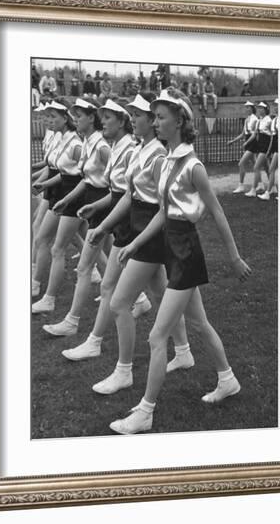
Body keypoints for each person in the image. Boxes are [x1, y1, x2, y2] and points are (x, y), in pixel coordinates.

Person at [107, 89, 251, 434]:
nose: (155, 122)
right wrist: (135, 244)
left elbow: (216, 213)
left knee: (158, 336)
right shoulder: (169, 160)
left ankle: (145, 411)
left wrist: (234, 257)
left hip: (186, 253)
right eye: (153, 117)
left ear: (180, 121)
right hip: (171, 248)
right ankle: (227, 379)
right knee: (199, 324)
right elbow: (162, 212)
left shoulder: (193, 166)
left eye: (160, 117)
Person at [75, 92, 194, 389]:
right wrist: (103, 223)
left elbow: (162, 206)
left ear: (152, 123)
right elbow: (129, 194)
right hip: (140, 230)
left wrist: (136, 240)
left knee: (118, 303)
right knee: (159, 293)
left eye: (140, 115)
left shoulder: (156, 155)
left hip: (148, 235)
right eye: (137, 114)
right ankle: (184, 352)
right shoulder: (142, 150)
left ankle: (124, 371)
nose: (136, 119)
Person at [54, 99, 150, 350]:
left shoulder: (125, 148)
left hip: (128, 218)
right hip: (115, 211)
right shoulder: (117, 145)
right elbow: (118, 189)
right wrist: (96, 208)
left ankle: (82, 329)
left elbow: (130, 192)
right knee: (155, 288)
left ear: (121, 121)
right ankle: (180, 346)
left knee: (98, 276)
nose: (102, 121)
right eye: (102, 117)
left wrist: (103, 219)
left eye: (108, 117)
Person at [30, 99, 83, 313]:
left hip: (70, 196)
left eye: (52, 117)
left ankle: (43, 292)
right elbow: (57, 169)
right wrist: (41, 181)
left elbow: (84, 175)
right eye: (46, 117)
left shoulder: (75, 143)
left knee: (55, 244)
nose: (47, 121)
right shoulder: (62, 138)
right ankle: (37, 285)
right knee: (88, 245)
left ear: (65, 118)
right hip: (60, 193)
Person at [227, 101, 259, 194]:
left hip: (252, 143)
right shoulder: (247, 119)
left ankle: (241, 185)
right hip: (249, 143)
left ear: (252, 108)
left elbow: (254, 134)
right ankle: (261, 184)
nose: (246, 109)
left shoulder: (254, 119)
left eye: (248, 107)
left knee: (241, 163)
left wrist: (246, 143)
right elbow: (243, 134)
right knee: (256, 164)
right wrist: (233, 141)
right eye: (246, 107)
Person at [243, 101, 272, 197]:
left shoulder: (268, 120)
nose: (260, 110)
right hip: (260, 146)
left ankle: (253, 190)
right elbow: (255, 134)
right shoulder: (260, 120)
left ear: (266, 110)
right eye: (259, 108)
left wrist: (270, 149)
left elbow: (272, 136)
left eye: (262, 108)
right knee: (267, 167)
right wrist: (247, 142)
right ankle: (273, 187)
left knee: (256, 167)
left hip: (265, 147)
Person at [258, 98, 279, 201]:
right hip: (276, 149)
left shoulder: (273, 120)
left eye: (278, 105)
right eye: (275, 105)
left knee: (271, 169)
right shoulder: (275, 120)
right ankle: (270, 191)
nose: (276, 107)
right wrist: (269, 151)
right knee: (271, 169)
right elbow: (272, 138)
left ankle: (268, 192)